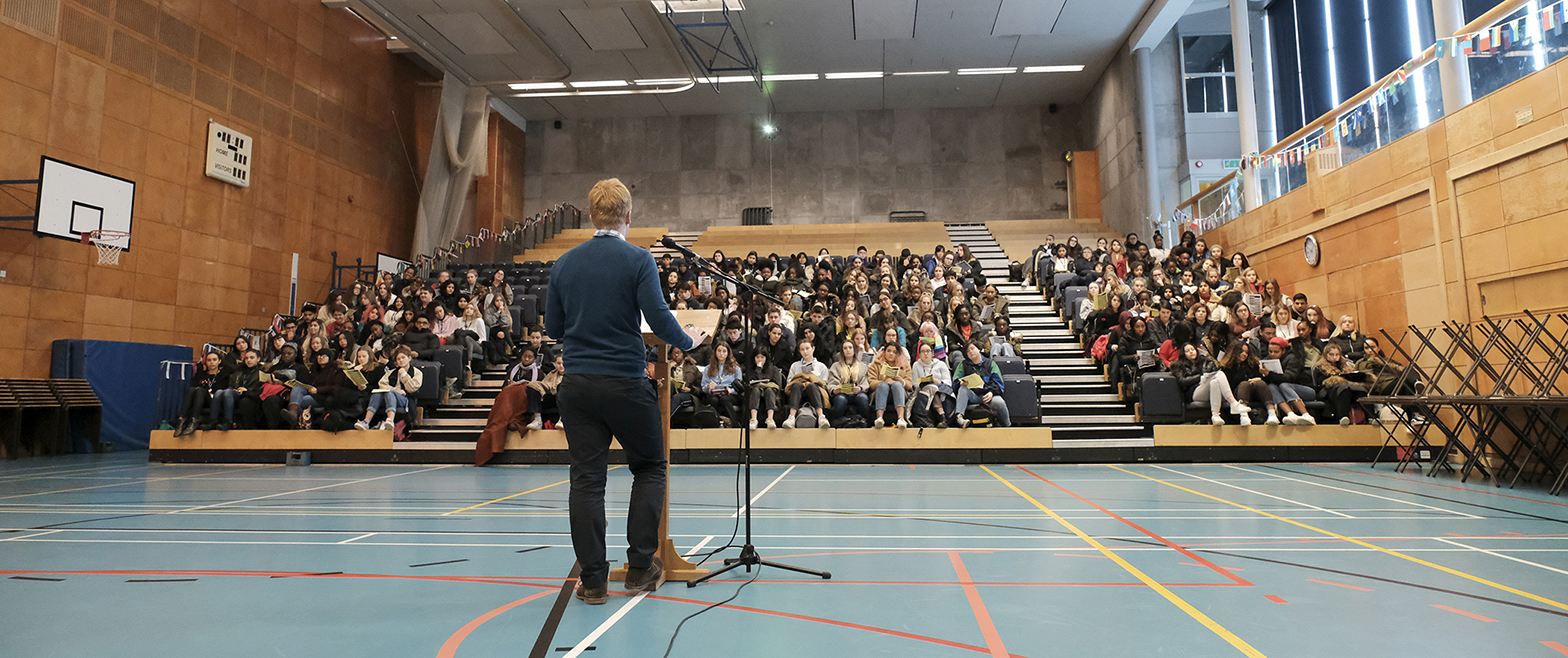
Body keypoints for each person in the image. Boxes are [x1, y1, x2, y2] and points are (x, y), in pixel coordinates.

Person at [544, 178, 707, 605]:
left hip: (577, 386)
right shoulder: (638, 260)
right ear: (629, 217)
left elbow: (553, 329)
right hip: (625, 382)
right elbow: (659, 317)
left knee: (586, 481)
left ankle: (594, 580)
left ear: (590, 214)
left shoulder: (563, 264)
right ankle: (639, 569)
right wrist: (690, 340)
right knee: (651, 466)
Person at [1170, 342, 1247, 425]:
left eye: (1192, 349)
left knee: (1215, 382)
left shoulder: (1205, 361)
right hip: (1194, 392)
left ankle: (1216, 415)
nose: (1191, 352)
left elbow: (1214, 368)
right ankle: (1233, 403)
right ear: (1183, 354)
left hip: (1208, 389)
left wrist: (1205, 377)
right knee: (1219, 373)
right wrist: (1200, 378)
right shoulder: (1179, 365)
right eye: (1187, 351)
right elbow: (1182, 381)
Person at [359, 347, 421, 431]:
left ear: (409, 358)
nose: (401, 360)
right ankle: (366, 422)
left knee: (390, 393)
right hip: (391, 396)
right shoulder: (392, 372)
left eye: (403, 358)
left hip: (405, 398)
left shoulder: (417, 372)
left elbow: (412, 388)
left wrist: (404, 375)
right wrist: (394, 389)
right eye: (398, 359)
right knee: (377, 393)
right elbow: (381, 384)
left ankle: (390, 420)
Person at [1260, 337, 1316, 426]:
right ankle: (1291, 414)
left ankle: (1306, 415)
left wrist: (1269, 374)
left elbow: (1289, 378)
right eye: (1270, 351)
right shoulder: (1268, 360)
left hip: (1305, 390)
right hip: (1284, 392)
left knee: (1284, 385)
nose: (1272, 354)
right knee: (1271, 387)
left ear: (1283, 351)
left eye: (1276, 352)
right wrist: (1262, 377)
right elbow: (1272, 380)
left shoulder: (1293, 358)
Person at [951, 341, 1010, 427]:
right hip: (972, 395)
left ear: (978, 349)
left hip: (988, 395)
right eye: (967, 351)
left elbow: (998, 383)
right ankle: (960, 418)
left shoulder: (991, 364)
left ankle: (1007, 425)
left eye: (972, 348)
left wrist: (991, 392)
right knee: (962, 390)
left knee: (999, 402)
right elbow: (955, 381)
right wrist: (960, 384)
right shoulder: (963, 365)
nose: (970, 352)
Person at [1218, 342, 1278, 425]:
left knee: (1260, 383)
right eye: (1241, 351)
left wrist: (1260, 378)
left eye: (1246, 352)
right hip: (1236, 395)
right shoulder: (1226, 368)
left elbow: (1266, 380)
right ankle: (1244, 415)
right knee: (1244, 384)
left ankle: (1272, 414)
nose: (1244, 354)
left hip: (1255, 393)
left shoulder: (1252, 364)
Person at [1314, 342, 1368, 425]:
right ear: (1326, 355)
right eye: (1331, 354)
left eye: (1337, 354)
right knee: (1343, 390)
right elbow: (1323, 382)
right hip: (1328, 390)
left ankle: (1370, 417)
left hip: (1345, 386)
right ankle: (1343, 417)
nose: (1334, 357)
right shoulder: (1320, 367)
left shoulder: (1345, 367)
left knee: (1361, 389)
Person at [176, 352, 228, 436]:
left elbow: (223, 390)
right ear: (206, 362)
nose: (211, 362)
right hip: (198, 399)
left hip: (214, 400)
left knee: (200, 390)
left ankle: (193, 421)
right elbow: (193, 386)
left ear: (219, 361)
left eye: (214, 360)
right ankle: (182, 420)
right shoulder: (200, 374)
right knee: (192, 389)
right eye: (209, 360)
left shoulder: (224, 375)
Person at [784, 339, 831, 428]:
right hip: (798, 392)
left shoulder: (821, 366)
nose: (805, 352)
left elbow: (825, 384)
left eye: (807, 348)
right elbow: (789, 382)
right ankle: (791, 417)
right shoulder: (795, 365)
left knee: (811, 385)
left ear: (813, 349)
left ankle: (821, 416)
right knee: (797, 385)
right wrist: (802, 378)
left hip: (815, 392)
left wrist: (811, 378)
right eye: (802, 349)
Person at [868, 340, 912, 428]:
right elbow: (871, 382)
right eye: (889, 351)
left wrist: (902, 381)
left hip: (899, 391)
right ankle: (879, 418)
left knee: (897, 385)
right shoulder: (875, 364)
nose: (891, 354)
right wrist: (884, 382)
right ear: (884, 352)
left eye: (894, 352)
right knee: (883, 385)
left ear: (898, 354)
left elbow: (910, 384)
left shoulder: (905, 365)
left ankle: (901, 419)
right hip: (881, 391)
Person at [910, 341, 954, 427]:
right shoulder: (916, 365)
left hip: (941, 389)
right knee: (930, 389)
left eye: (928, 351)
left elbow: (948, 382)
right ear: (919, 353)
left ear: (932, 353)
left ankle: (942, 417)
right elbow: (915, 383)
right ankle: (942, 416)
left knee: (933, 389)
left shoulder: (941, 364)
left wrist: (940, 382)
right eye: (923, 351)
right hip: (924, 390)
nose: (925, 354)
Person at [826, 340, 870, 422]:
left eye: (850, 347)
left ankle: (866, 422)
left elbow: (865, 382)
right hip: (841, 393)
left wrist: (860, 388)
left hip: (857, 393)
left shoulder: (862, 366)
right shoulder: (835, 366)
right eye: (845, 348)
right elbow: (832, 382)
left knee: (862, 398)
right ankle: (836, 423)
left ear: (854, 350)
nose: (848, 350)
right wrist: (834, 390)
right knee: (841, 400)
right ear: (842, 351)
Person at [701, 343, 743, 427]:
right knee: (714, 400)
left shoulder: (736, 369)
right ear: (715, 352)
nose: (721, 354)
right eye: (719, 351)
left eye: (724, 351)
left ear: (728, 353)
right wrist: (709, 386)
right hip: (714, 394)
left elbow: (739, 387)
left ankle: (735, 425)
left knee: (724, 399)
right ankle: (714, 424)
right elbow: (703, 387)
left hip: (730, 394)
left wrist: (731, 390)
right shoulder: (708, 368)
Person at [742, 350, 784, 429]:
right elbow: (750, 382)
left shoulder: (773, 369)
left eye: (762, 357)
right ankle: (753, 419)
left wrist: (764, 384)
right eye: (757, 357)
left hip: (770, 391)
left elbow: (777, 385)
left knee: (769, 390)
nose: (760, 360)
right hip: (755, 391)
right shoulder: (751, 370)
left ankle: (770, 418)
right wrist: (758, 369)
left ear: (766, 358)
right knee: (756, 390)